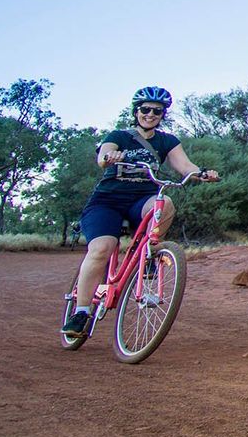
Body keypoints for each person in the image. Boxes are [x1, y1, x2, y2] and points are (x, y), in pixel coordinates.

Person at [62, 86, 219, 337]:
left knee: (164, 203)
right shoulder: (120, 135)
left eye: (157, 111)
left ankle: (147, 255)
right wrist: (109, 157)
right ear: (136, 111)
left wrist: (201, 173)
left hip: (142, 198)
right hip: (108, 201)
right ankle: (81, 313)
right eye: (145, 109)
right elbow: (103, 156)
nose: (151, 114)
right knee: (101, 248)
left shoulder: (167, 141)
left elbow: (184, 166)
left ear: (162, 115)